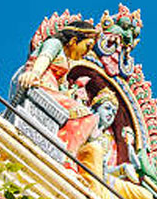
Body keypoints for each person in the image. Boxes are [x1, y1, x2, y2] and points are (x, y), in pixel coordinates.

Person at [15, 20, 100, 154]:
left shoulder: (66, 60)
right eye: (87, 46)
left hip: (52, 91)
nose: (86, 52)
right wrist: (34, 74)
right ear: (73, 40)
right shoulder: (54, 44)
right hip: (41, 85)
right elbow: (44, 58)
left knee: (89, 121)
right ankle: (66, 156)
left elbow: (62, 87)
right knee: (87, 116)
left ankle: (64, 152)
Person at [76, 88, 156, 199]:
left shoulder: (108, 139)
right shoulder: (87, 120)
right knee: (94, 149)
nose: (111, 114)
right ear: (96, 107)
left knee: (146, 197)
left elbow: (105, 170)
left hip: (104, 178)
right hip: (85, 166)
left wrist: (122, 169)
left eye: (114, 112)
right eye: (107, 108)